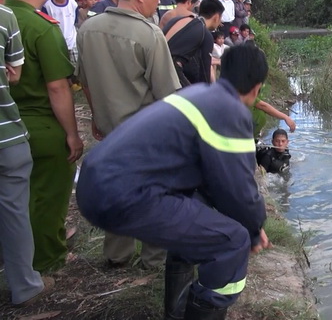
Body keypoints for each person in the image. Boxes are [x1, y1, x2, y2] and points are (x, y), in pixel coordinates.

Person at [77, 45, 272, 320]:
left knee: (199, 220)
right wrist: (254, 229)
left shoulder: (199, 93)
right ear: (256, 88)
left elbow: (212, 181)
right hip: (125, 194)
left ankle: (176, 313)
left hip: (95, 181)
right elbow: (237, 187)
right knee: (231, 243)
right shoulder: (231, 110)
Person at [76, 0, 180, 270]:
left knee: (116, 192)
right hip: (145, 133)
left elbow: (84, 82)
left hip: (109, 130)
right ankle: (153, 259)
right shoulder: (149, 34)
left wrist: (97, 117)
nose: (158, 1)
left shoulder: (88, 29)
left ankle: (117, 255)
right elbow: (168, 95)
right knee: (155, 195)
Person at [4, 0, 84, 273]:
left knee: (10, 200)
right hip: (39, 127)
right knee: (46, 198)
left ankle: (14, 259)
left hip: (5, 122)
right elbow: (57, 88)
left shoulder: (2, 20)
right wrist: (72, 134)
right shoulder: (41, 27)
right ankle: (47, 261)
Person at [0, 0, 55, 306]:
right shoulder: (8, 18)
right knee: (14, 208)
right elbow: (16, 74)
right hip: (6, 131)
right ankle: (25, 284)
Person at [164, 0, 224, 86]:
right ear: (216, 17)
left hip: (156, 65)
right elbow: (204, 71)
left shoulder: (177, 20)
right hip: (172, 72)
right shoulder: (205, 34)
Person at [42, 0, 78, 64]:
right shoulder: (48, 6)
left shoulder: (72, 2)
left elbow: (75, 20)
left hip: (72, 41)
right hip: (56, 43)